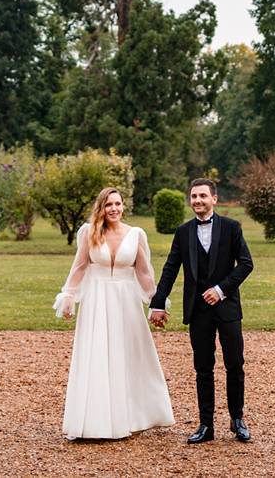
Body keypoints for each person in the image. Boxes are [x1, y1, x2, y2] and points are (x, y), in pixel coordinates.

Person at [54, 186, 174, 440]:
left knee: (128, 353)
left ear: (123, 206)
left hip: (126, 300)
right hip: (96, 299)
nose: (114, 209)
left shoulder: (135, 234)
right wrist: (69, 295)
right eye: (109, 204)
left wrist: (157, 303)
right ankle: (94, 421)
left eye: (118, 204)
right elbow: (80, 266)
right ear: (102, 207)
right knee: (96, 354)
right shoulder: (89, 232)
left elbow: (143, 271)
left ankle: (131, 416)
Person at [149, 177, 254, 444]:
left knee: (235, 364)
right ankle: (206, 425)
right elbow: (171, 268)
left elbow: (245, 264)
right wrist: (158, 303)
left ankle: (237, 419)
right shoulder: (183, 232)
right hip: (198, 311)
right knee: (203, 368)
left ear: (214, 199)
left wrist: (221, 289)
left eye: (203, 196)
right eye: (194, 197)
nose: (198, 201)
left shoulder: (232, 227)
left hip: (227, 307)